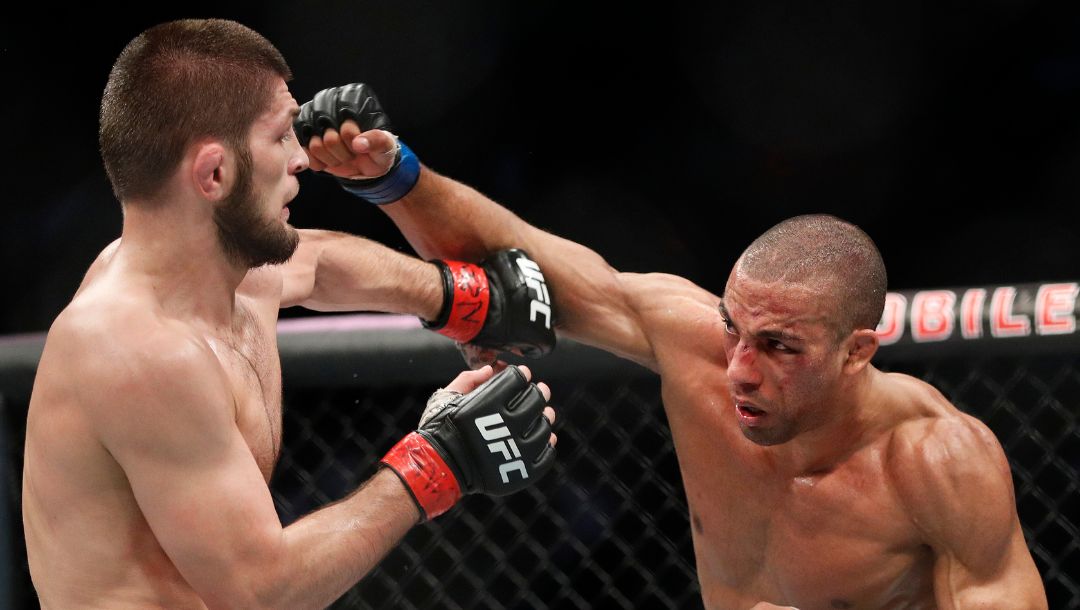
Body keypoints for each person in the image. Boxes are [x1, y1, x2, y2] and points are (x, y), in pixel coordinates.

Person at [296, 84, 1050, 609]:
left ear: (857, 352)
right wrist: (392, 178)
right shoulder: (695, 346)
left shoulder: (939, 463)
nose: (740, 370)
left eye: (779, 347)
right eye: (734, 329)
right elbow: (521, 258)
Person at [21, 20, 560, 610]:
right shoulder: (137, 350)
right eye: (280, 136)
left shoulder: (219, 269)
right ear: (214, 173)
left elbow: (320, 262)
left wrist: (460, 299)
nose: (302, 157)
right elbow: (262, 592)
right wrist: (438, 460)